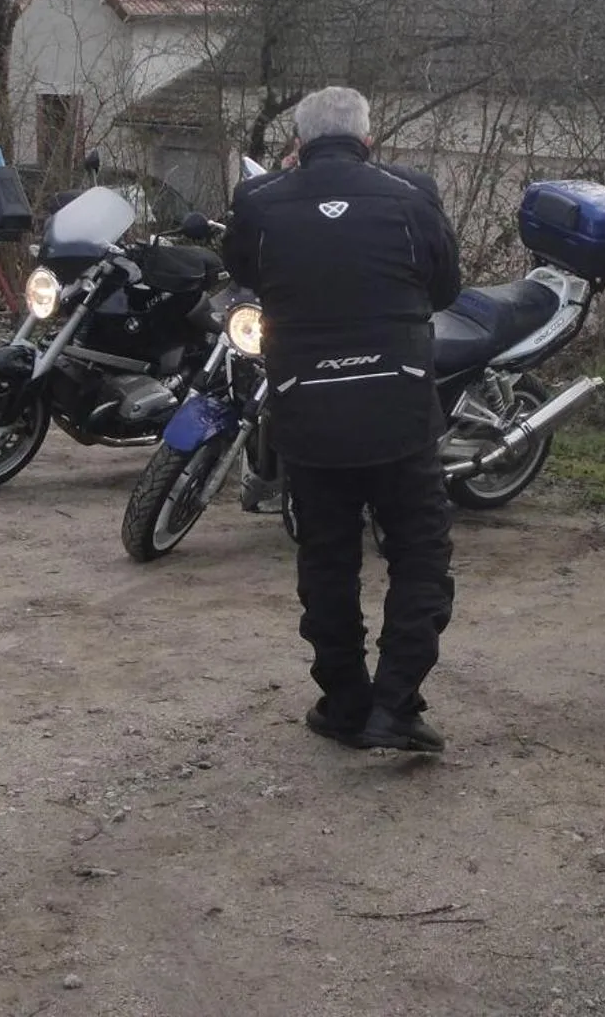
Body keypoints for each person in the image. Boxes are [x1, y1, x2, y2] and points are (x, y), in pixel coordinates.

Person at [221, 86, 463, 753]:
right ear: (368, 138)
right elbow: (446, 289)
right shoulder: (413, 193)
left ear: (297, 143)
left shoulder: (260, 202)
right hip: (401, 407)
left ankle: (344, 701)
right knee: (419, 555)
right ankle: (397, 703)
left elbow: (242, 272)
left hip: (308, 407)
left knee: (327, 559)